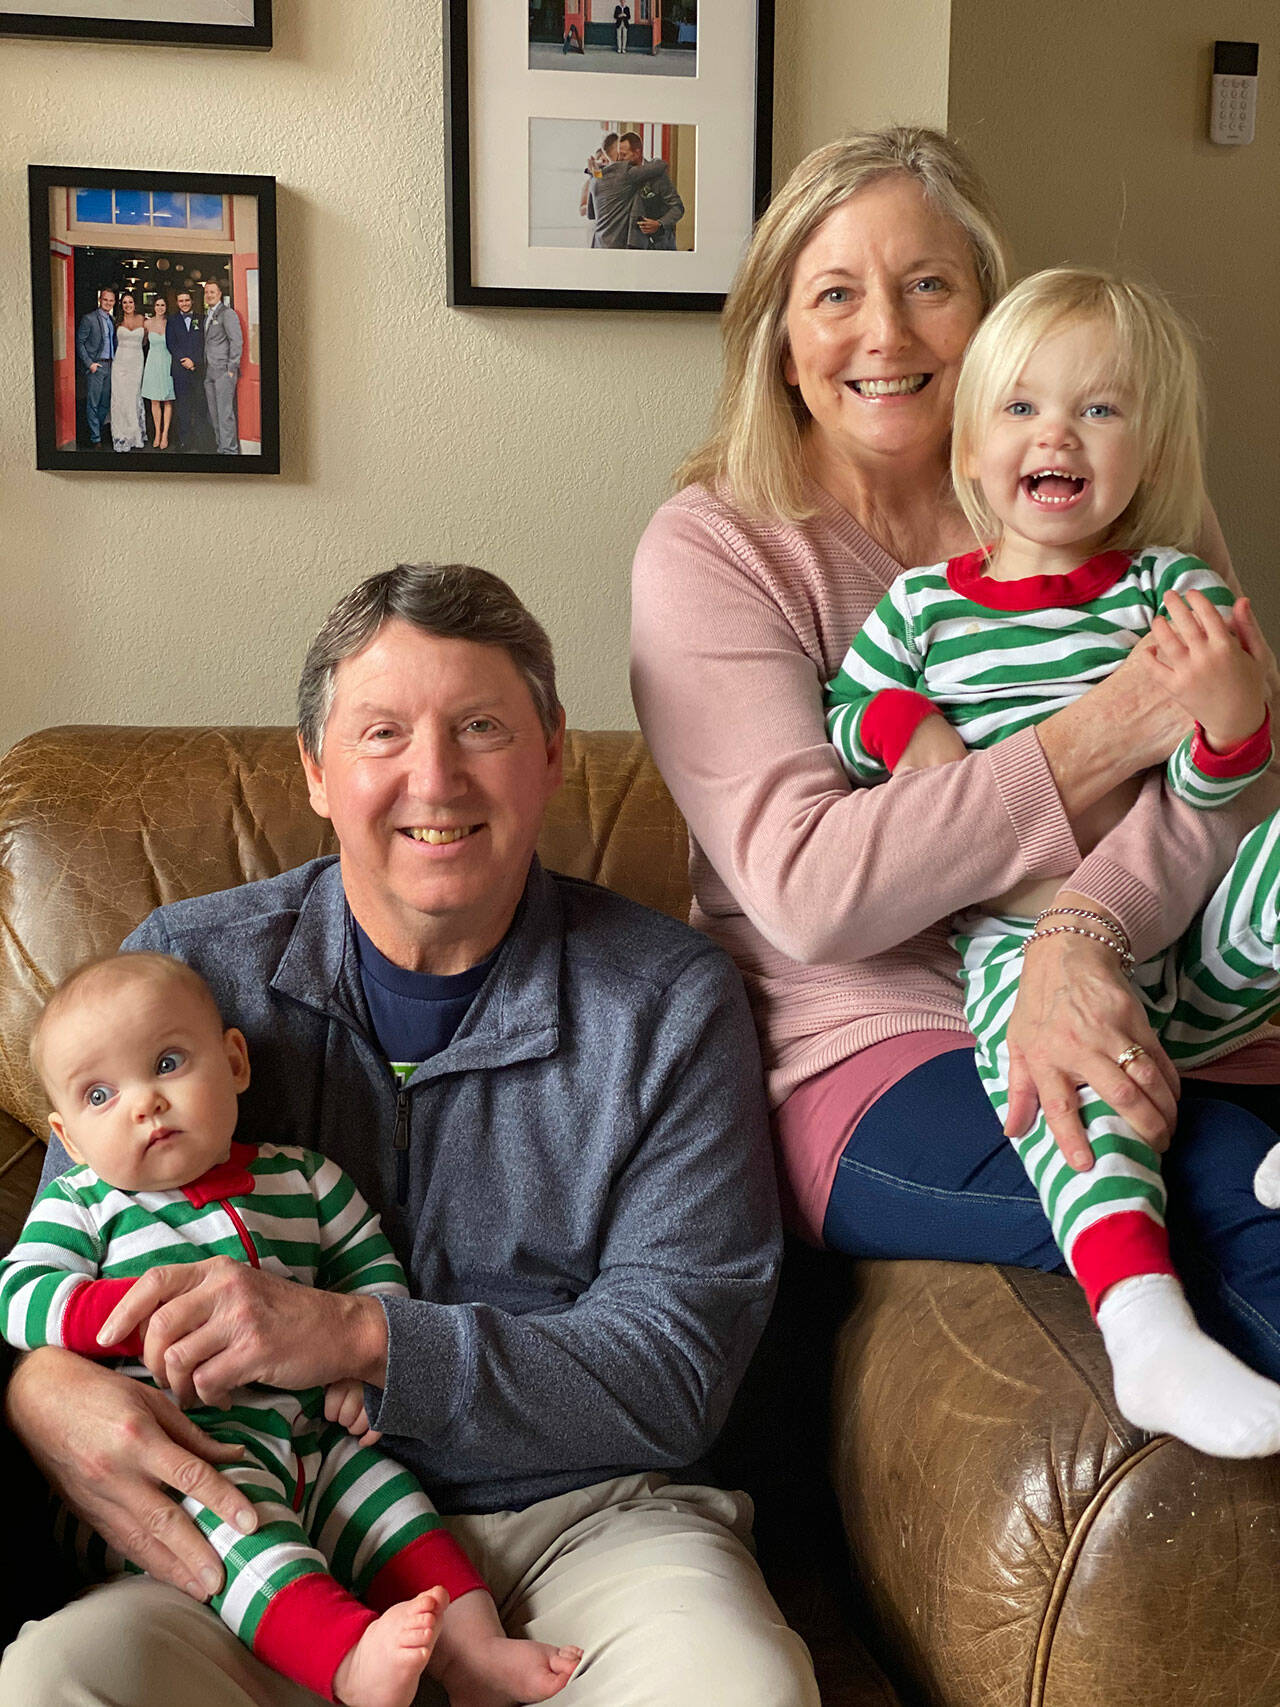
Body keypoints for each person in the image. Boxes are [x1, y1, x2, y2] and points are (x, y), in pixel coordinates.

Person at [1, 563, 813, 1707]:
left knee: (739, 1689)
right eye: (381, 733)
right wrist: (34, 1389)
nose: (432, 778)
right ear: (317, 771)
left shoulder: (665, 1000)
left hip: (585, 1523)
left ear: (548, 754)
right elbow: (60, 1247)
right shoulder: (190, 964)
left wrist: (362, 1338)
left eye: (479, 726)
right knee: (58, 1680)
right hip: (264, 1529)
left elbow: (676, 1371)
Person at [630, 126, 1280, 1404]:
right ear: (777, 337)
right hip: (881, 1038)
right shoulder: (718, 552)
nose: (886, 333)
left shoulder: (1118, 490)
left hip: (1162, 967)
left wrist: (1081, 930)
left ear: (986, 310)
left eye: (928, 284)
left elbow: (1228, 779)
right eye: (834, 295)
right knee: (1221, 1191)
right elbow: (818, 893)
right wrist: (1106, 726)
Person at [823, 266, 1280, 1457]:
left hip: (1188, 930)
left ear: (1147, 452)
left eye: (1098, 410)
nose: (1056, 435)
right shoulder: (921, 609)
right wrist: (906, 731)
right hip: (1023, 951)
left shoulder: (1170, 593)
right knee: (1061, 1103)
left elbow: (1213, 800)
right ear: (969, 451)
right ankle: (1143, 1327)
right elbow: (849, 705)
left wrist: (1235, 723)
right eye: (1020, 409)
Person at [0, 951, 582, 1707]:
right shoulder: (84, 1205)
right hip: (180, 1456)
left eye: (168, 1061)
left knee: (394, 1501)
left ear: (234, 1061)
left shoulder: (304, 1178)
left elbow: (372, 1277)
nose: (144, 1102)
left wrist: (356, 1369)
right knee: (239, 1524)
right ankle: (347, 1662)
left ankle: (474, 1652)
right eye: (101, 1094)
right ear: (69, 1138)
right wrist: (116, 1317)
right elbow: (18, 1292)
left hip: (310, 1440)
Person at [589, 133, 672, 250]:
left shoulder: (595, 178)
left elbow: (591, 214)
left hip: (599, 244)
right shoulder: (626, 173)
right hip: (618, 246)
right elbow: (661, 165)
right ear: (619, 153)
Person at [621, 137, 684, 251]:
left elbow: (677, 208)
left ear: (637, 152)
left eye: (624, 155)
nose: (620, 159)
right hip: (629, 246)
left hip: (659, 244)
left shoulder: (658, 176)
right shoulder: (621, 176)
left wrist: (659, 223)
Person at [203, 278, 243, 455]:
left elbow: (237, 341)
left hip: (223, 372)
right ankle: (221, 448)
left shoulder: (228, 313)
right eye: (206, 292)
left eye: (212, 292)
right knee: (214, 415)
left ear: (219, 294)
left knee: (225, 415)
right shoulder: (208, 315)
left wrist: (231, 369)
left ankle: (230, 452)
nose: (209, 295)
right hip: (209, 371)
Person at [75, 285, 116, 448]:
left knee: (105, 403)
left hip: (110, 366)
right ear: (100, 300)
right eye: (105, 299)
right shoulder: (89, 318)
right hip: (96, 366)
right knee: (93, 403)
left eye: (111, 300)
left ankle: (97, 430)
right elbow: (80, 342)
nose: (108, 303)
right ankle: (95, 438)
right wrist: (89, 363)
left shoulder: (112, 320)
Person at [167, 288, 207, 451]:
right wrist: (184, 360)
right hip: (180, 370)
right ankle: (184, 440)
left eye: (187, 300)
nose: (184, 303)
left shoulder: (202, 319)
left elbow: (205, 343)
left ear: (192, 301)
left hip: (197, 370)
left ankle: (199, 440)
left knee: (199, 406)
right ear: (177, 303)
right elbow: (171, 344)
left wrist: (194, 361)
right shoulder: (172, 320)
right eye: (181, 301)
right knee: (182, 407)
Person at [109, 289, 147, 453]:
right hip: (120, 363)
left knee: (133, 396)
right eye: (124, 302)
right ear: (121, 305)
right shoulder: (116, 322)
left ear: (135, 304)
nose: (128, 305)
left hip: (137, 363)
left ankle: (135, 433)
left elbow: (147, 341)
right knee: (120, 398)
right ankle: (121, 434)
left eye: (130, 302)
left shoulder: (143, 320)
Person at [142, 294, 176, 450]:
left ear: (166, 307)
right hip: (153, 362)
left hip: (167, 361)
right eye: (157, 305)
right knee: (154, 400)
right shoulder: (147, 324)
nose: (160, 308)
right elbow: (141, 343)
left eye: (163, 305)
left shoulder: (171, 323)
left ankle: (165, 435)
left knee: (168, 399)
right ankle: (157, 433)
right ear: (153, 307)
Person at [580, 134, 619, 244]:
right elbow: (582, 209)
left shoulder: (613, 177)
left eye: (607, 160)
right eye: (602, 160)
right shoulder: (592, 181)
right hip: (595, 224)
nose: (605, 164)